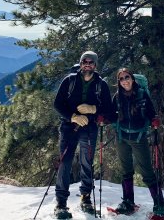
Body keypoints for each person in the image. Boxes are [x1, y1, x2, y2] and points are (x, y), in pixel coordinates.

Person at [53, 51, 113, 219]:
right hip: (68, 127)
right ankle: (61, 203)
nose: (88, 64)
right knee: (65, 162)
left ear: (95, 65)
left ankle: (85, 198)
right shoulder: (69, 81)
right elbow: (57, 104)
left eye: (91, 62)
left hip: (89, 128)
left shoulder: (102, 85)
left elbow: (108, 110)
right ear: (80, 63)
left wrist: (93, 110)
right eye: (85, 61)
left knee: (87, 163)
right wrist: (73, 117)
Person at [109, 68, 164, 217]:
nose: (124, 81)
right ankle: (128, 202)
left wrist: (154, 120)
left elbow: (151, 113)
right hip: (122, 138)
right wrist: (103, 118)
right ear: (118, 82)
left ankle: (159, 205)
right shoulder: (117, 97)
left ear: (132, 79)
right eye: (121, 79)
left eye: (126, 77)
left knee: (147, 172)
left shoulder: (142, 95)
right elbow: (111, 114)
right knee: (126, 171)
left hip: (139, 138)